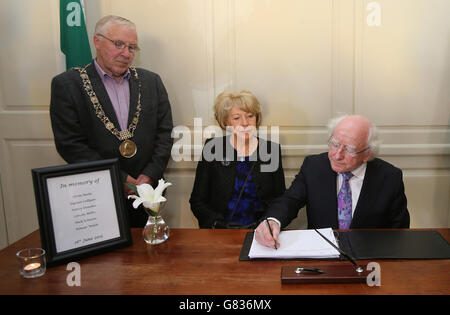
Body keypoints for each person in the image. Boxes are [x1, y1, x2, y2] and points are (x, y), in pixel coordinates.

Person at [50, 15, 173, 227]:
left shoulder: (151, 81)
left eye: (132, 47)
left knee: (149, 255)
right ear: (97, 42)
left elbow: (165, 133)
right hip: (97, 194)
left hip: (147, 193)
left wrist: (148, 176)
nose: (126, 53)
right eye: (119, 44)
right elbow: (70, 145)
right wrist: (120, 178)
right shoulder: (68, 85)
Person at [255, 114, 410, 248]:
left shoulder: (389, 177)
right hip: (321, 256)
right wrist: (272, 220)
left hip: (369, 258)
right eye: (335, 144)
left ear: (368, 154)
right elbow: (290, 200)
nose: (337, 155)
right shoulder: (313, 166)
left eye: (349, 149)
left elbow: (398, 232)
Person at [190, 90, 286, 228]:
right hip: (221, 233)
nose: (245, 123)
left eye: (250, 116)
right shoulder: (212, 148)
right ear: (225, 122)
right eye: (236, 118)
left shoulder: (271, 150)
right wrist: (216, 223)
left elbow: (280, 201)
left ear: (257, 118)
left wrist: (268, 224)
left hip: (261, 233)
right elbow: (197, 201)